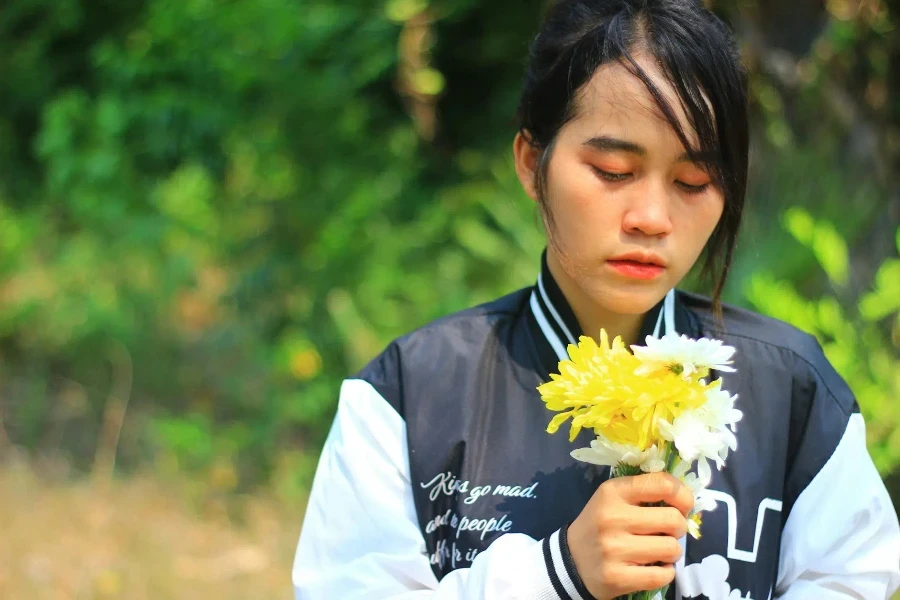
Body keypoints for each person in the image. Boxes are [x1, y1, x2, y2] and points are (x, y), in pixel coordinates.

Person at [292, 0, 900, 598]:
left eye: (694, 181)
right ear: (533, 162)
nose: (652, 218)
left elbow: (854, 579)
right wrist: (554, 573)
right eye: (612, 170)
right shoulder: (409, 395)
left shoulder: (791, 392)